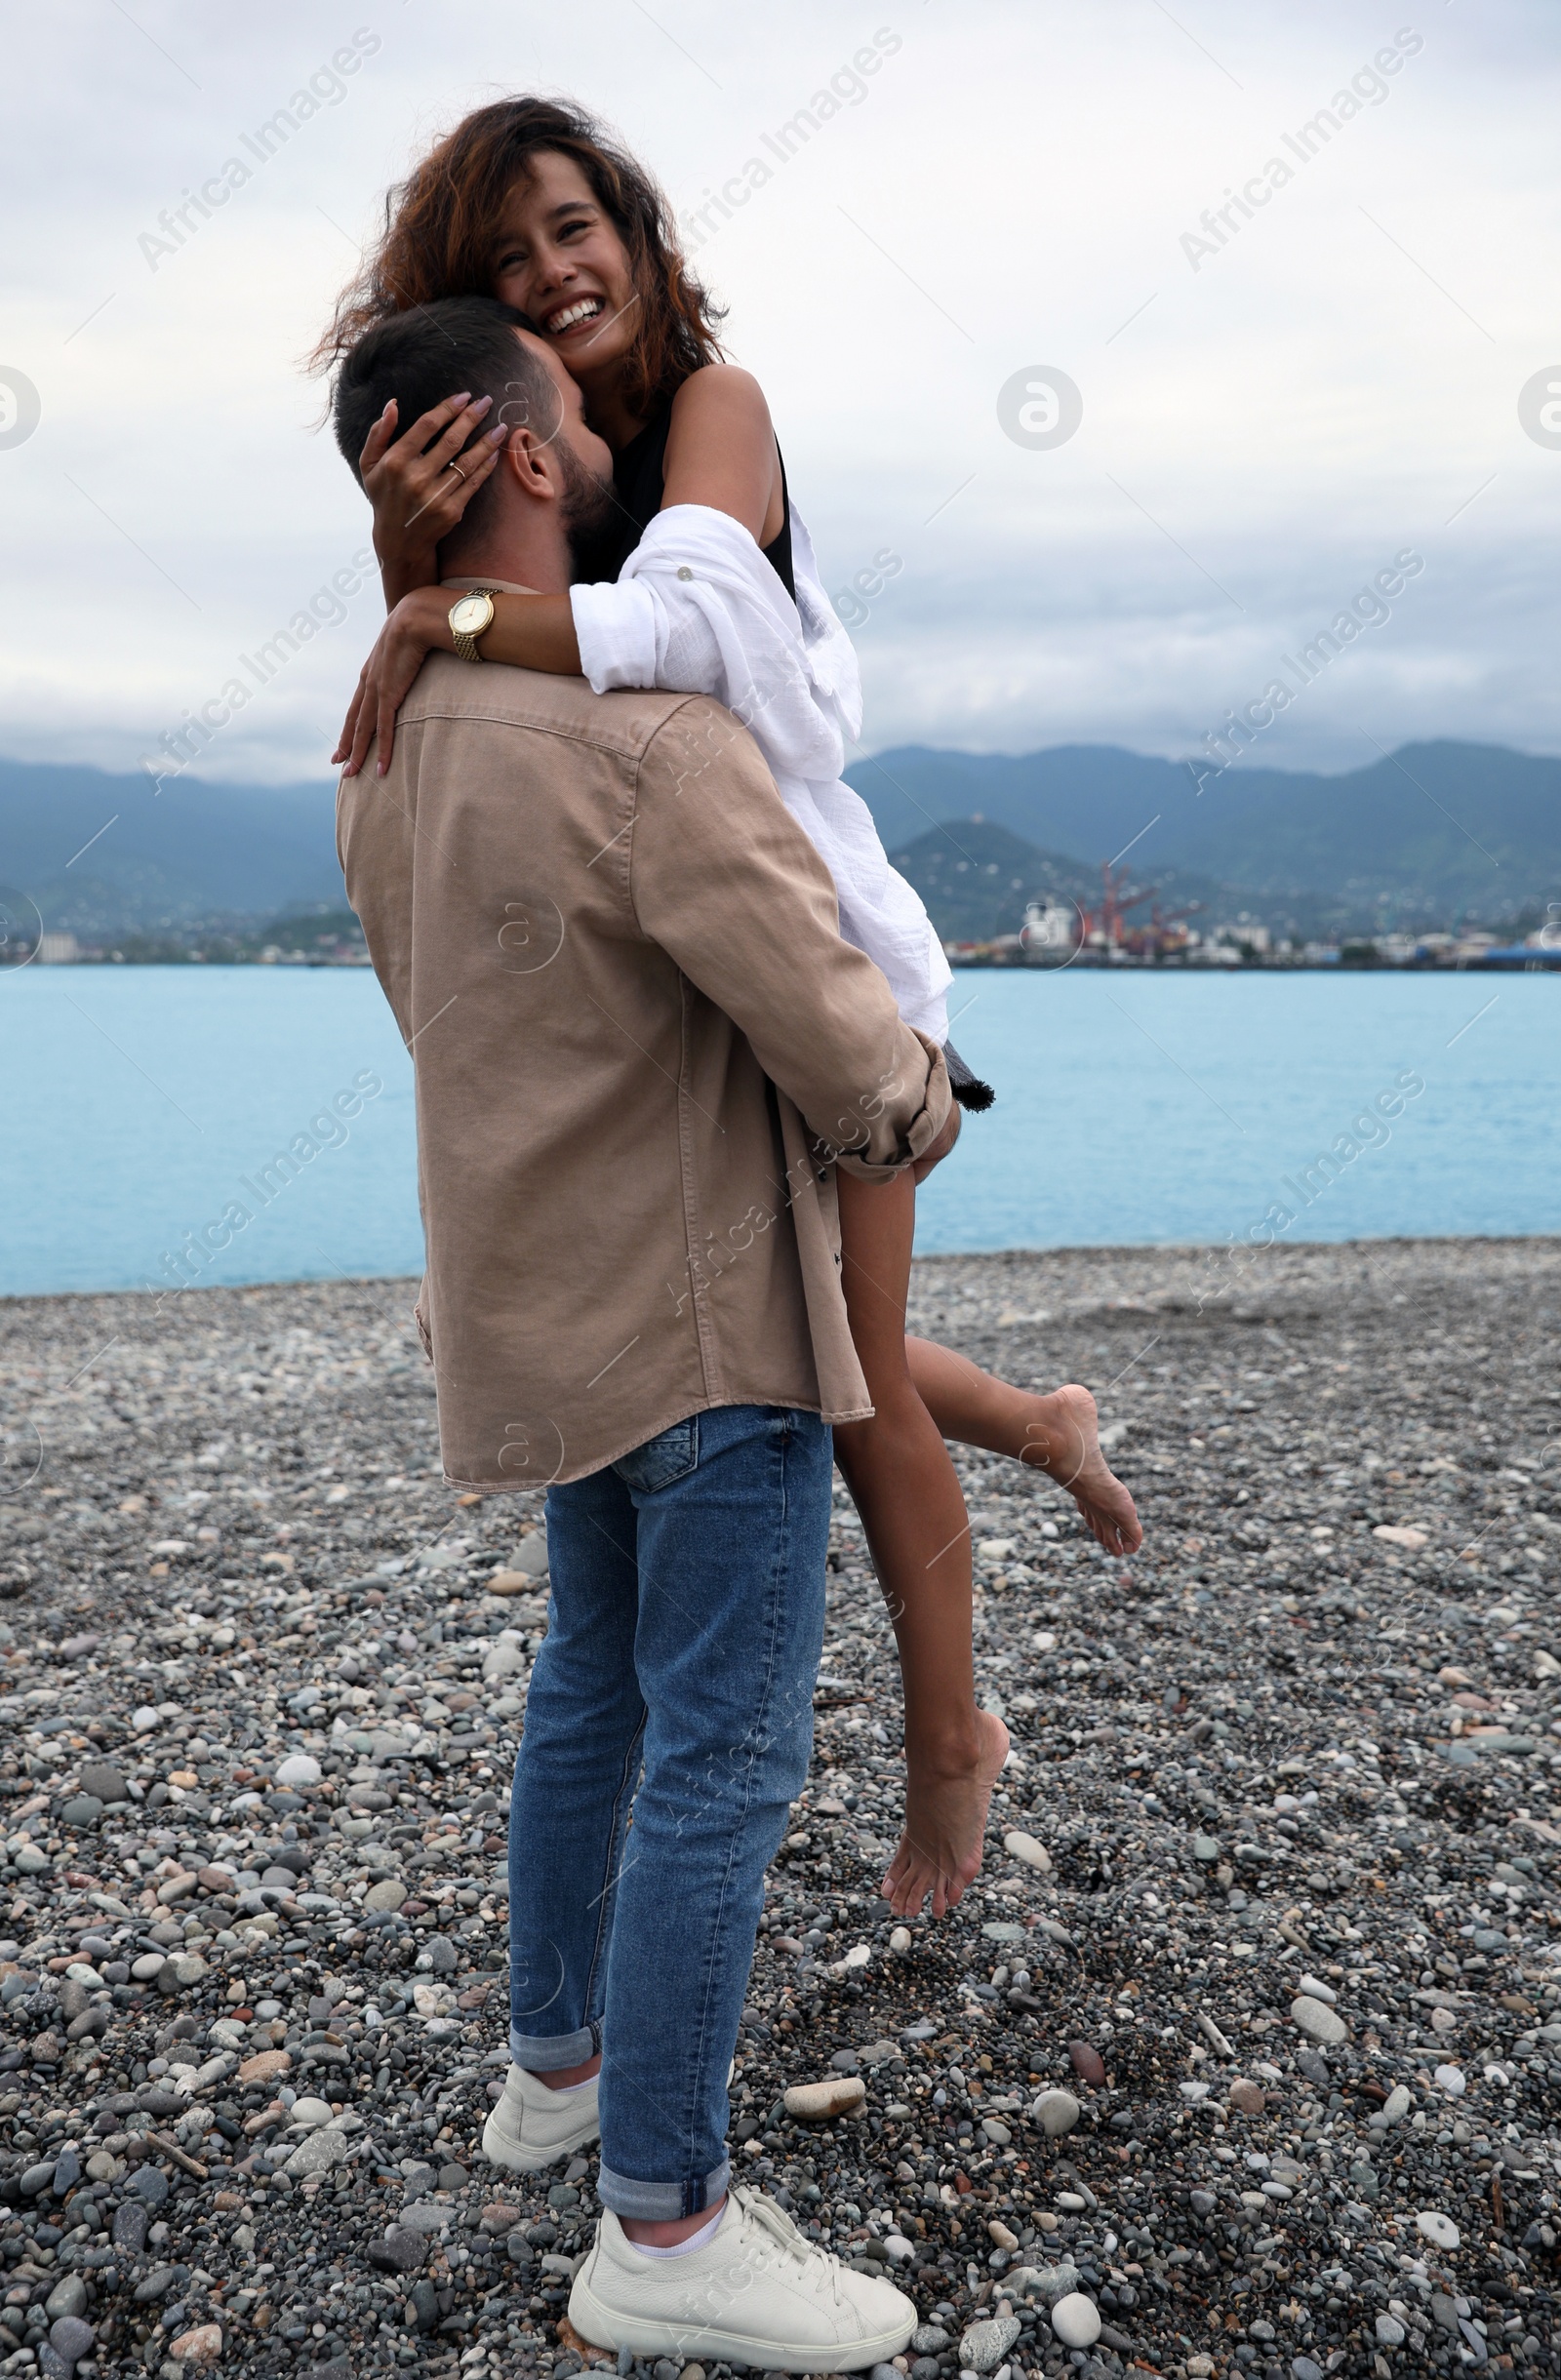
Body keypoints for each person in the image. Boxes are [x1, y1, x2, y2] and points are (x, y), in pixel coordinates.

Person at [320, 96, 1141, 1926]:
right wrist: (415, 575)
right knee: (755, 1334)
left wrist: (435, 617)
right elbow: (451, 753)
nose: (551, 271)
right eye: (509, 259)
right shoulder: (532, 463)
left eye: (572, 225)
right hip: (663, 981)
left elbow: (679, 638)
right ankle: (1041, 1420)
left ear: (635, 223)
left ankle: (953, 1743)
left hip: (810, 952)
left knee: (837, 1389)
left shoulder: (716, 412)